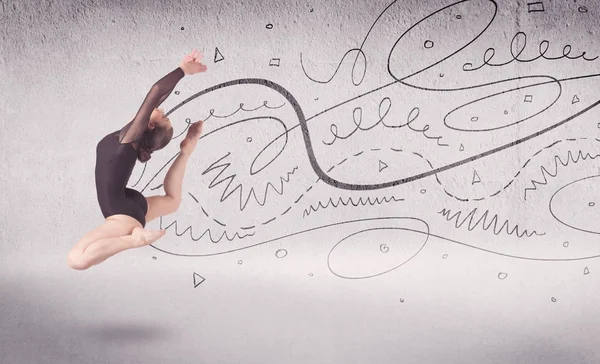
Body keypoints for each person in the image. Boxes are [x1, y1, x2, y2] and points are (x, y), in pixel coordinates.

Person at [67, 49, 208, 270]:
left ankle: (133, 240)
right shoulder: (126, 138)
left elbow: (156, 92)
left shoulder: (126, 141)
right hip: (127, 202)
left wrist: (182, 70)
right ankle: (186, 152)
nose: (160, 108)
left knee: (76, 260)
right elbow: (156, 99)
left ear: (149, 125)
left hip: (121, 212)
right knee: (172, 201)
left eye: (163, 115)